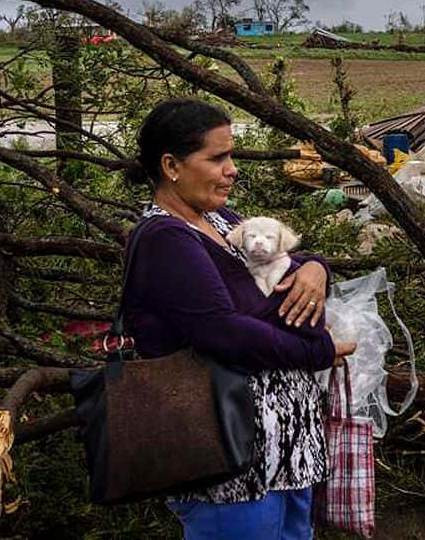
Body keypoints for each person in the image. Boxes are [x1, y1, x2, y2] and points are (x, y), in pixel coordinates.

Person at [121, 98, 356, 540]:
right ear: (171, 165)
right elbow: (223, 333)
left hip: (284, 453)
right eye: (217, 158)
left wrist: (316, 267)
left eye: (231, 156)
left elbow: (281, 263)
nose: (232, 170)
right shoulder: (165, 238)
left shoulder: (219, 218)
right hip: (230, 465)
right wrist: (318, 351)